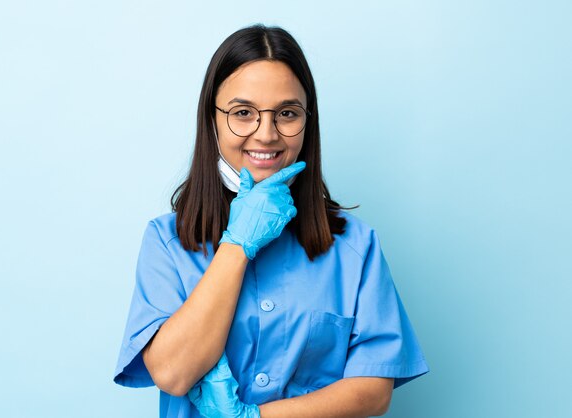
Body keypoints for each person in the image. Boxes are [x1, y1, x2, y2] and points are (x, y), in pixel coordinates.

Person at [113, 24, 429, 418]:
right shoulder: (166, 241)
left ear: (307, 121)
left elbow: (374, 391)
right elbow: (173, 374)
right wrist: (237, 243)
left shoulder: (355, 246)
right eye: (242, 113)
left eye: (286, 114)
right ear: (211, 119)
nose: (266, 134)